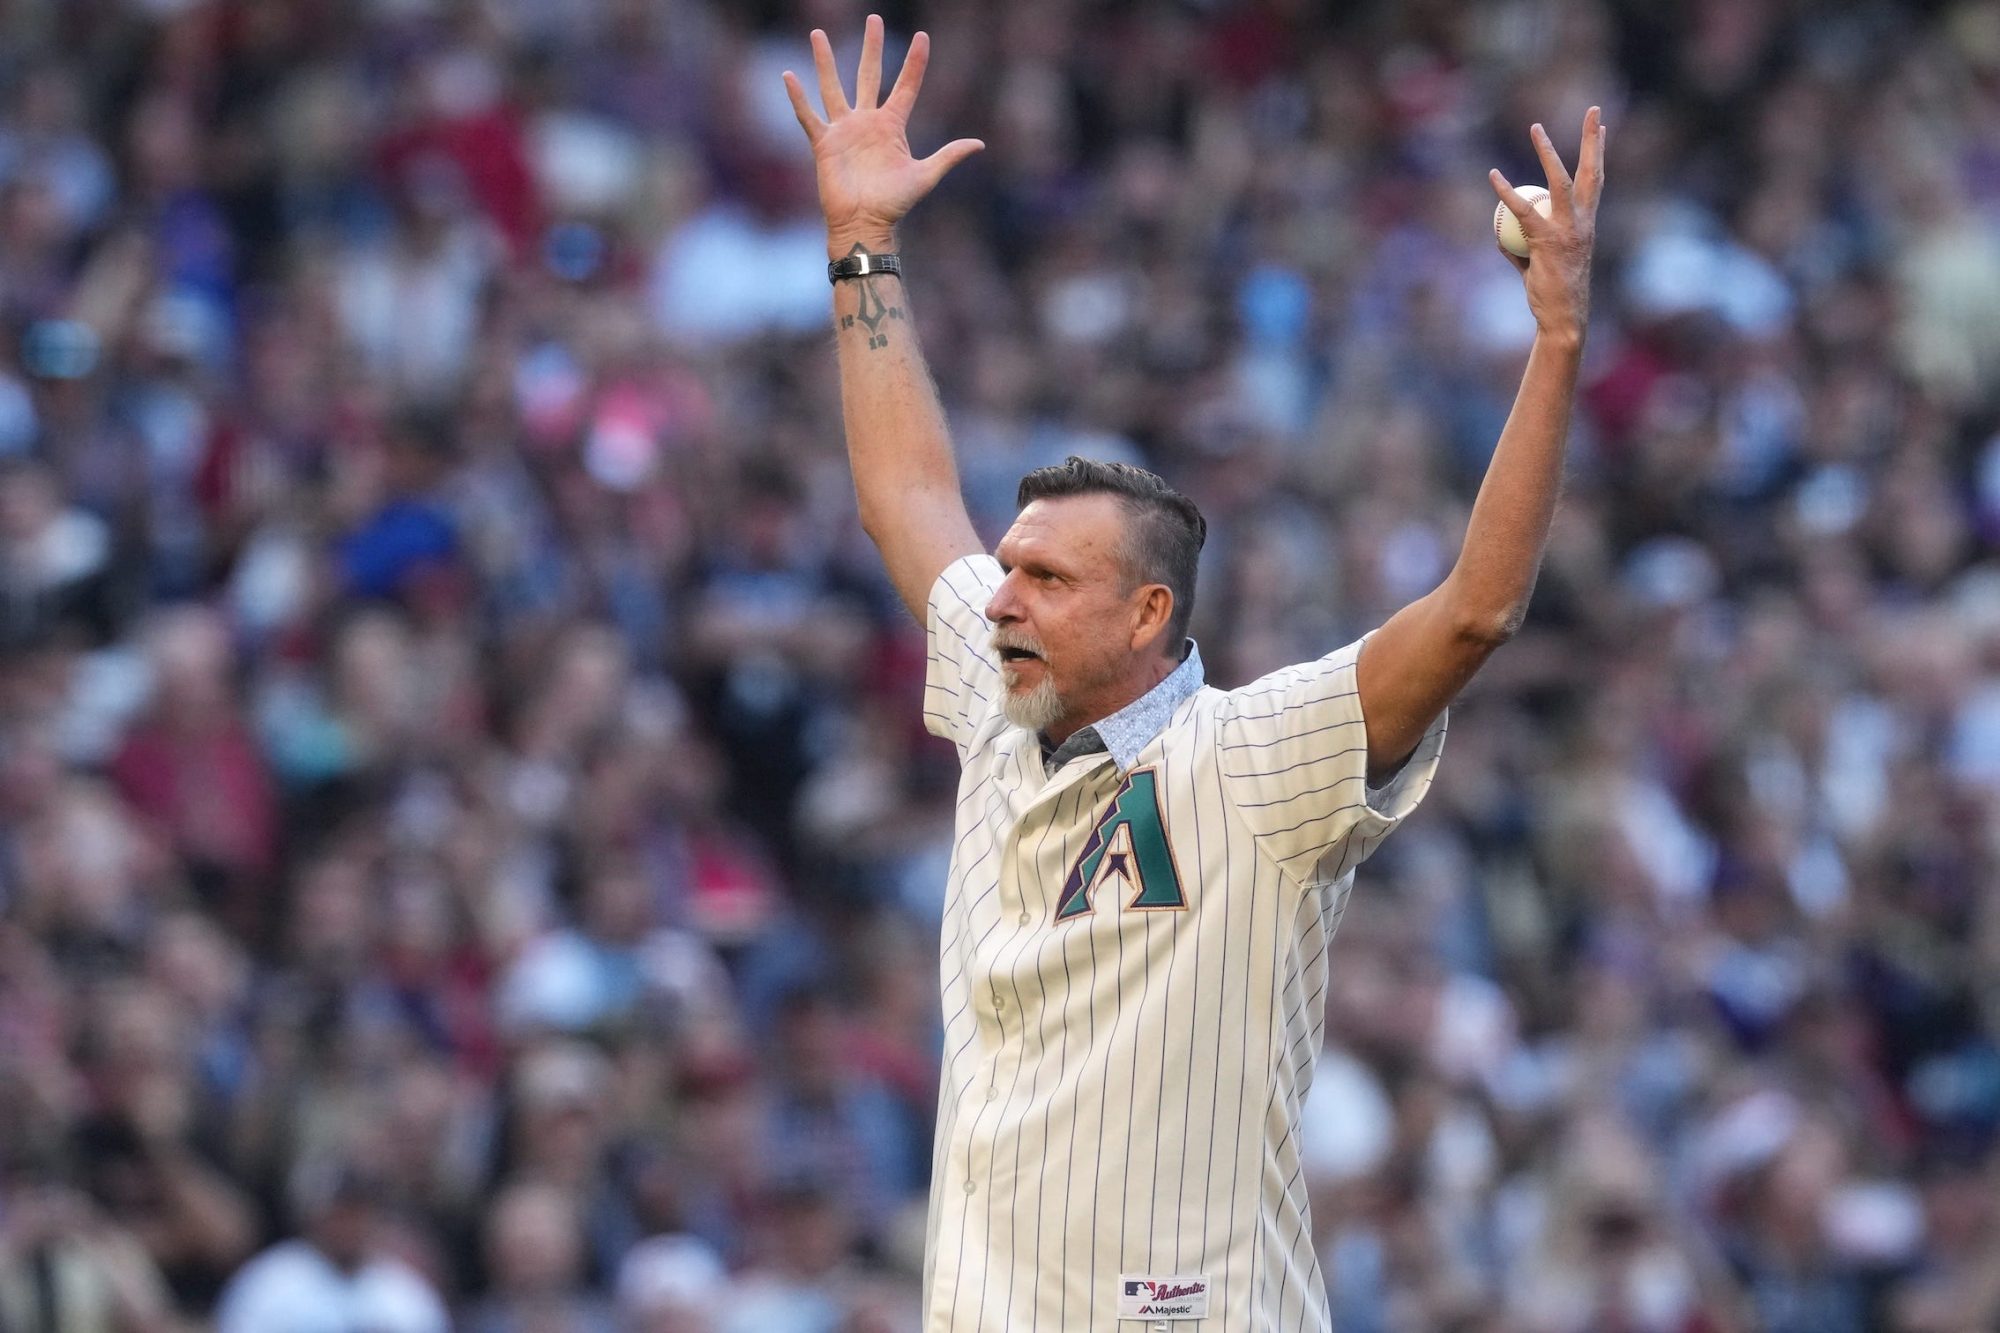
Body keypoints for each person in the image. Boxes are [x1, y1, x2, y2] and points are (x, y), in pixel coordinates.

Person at [782, 15, 1605, 1329]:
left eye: (1048, 579)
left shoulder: (1250, 759)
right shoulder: (1005, 698)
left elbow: (1474, 613)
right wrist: (859, 242)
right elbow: (905, 496)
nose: (1003, 595)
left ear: (1149, 612)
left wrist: (1556, 344)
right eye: (1009, 568)